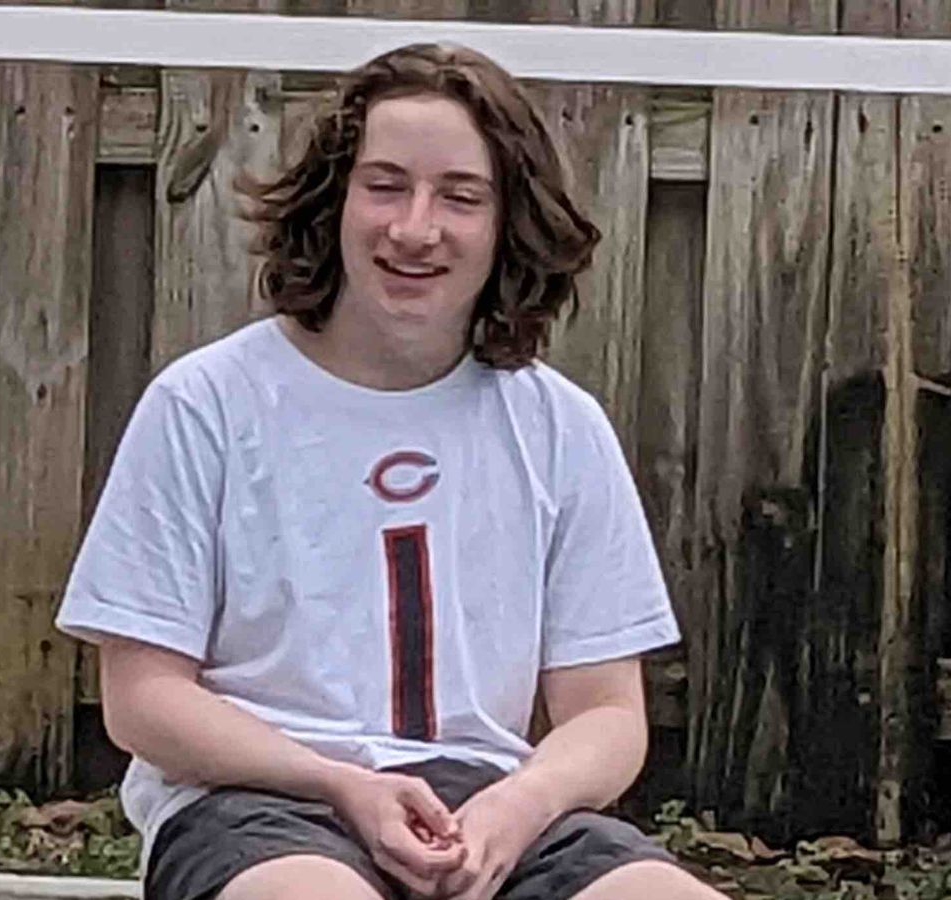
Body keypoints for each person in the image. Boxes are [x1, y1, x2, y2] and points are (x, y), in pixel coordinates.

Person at [56, 42, 725, 900]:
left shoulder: (559, 425)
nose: (415, 228)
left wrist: (520, 806)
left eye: (461, 196)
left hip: (490, 812)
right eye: (384, 186)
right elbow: (143, 699)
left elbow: (607, 713)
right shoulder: (207, 404)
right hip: (258, 805)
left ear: (508, 222)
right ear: (334, 201)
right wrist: (341, 785)